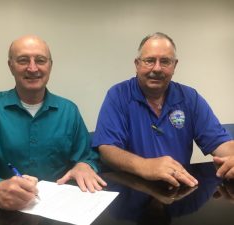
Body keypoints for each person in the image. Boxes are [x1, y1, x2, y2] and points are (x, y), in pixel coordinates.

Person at [0, 35, 106, 210]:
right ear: (10, 66)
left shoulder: (68, 110)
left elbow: (87, 155)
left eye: (40, 60)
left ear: (50, 65)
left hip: (56, 213)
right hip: (0, 214)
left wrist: (84, 165)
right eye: (23, 60)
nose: (33, 68)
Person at [92, 32, 234, 188]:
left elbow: (220, 143)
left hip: (178, 191)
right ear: (137, 64)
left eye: (165, 61)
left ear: (175, 65)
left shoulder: (190, 98)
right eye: (149, 61)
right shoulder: (118, 95)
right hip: (131, 192)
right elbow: (107, 149)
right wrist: (145, 166)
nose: (157, 68)